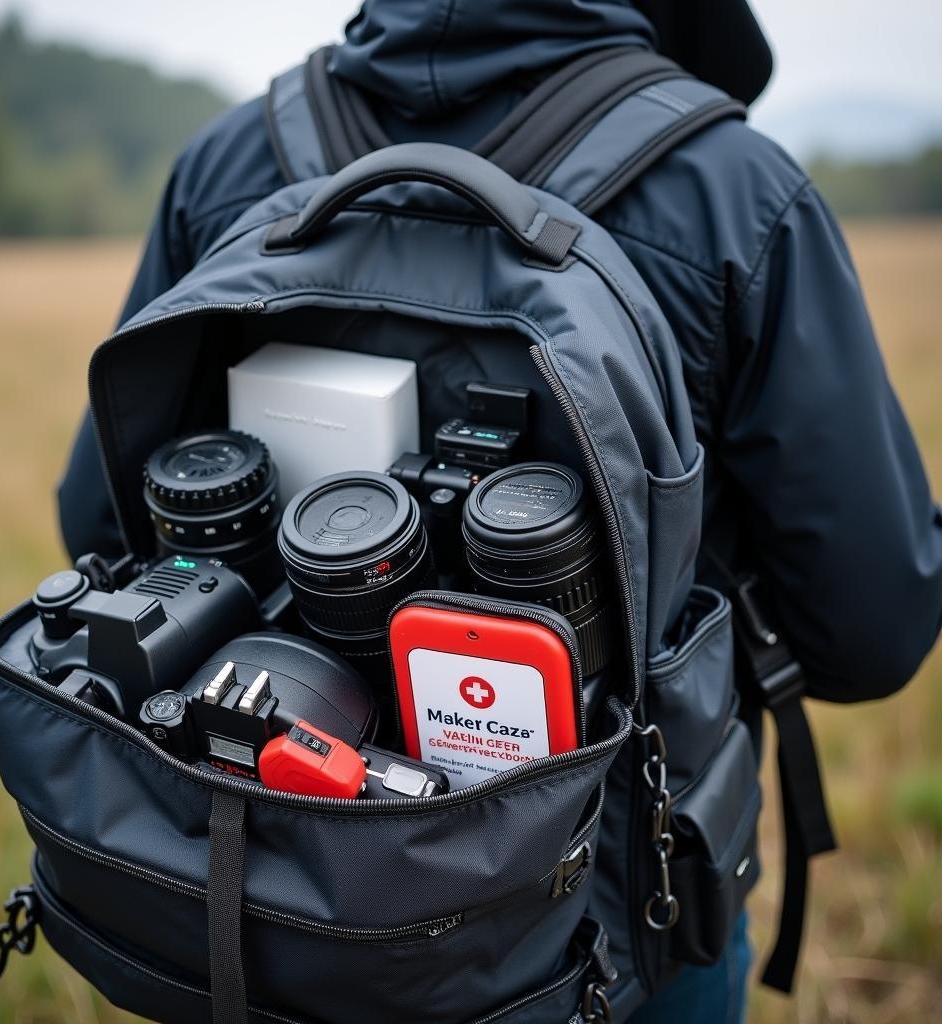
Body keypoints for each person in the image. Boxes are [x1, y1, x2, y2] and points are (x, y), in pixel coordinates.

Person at [56, 1, 942, 1020]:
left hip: (264, 902)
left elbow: (103, 533)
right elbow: (869, 634)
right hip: (606, 910)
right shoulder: (732, 192)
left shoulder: (227, 161)